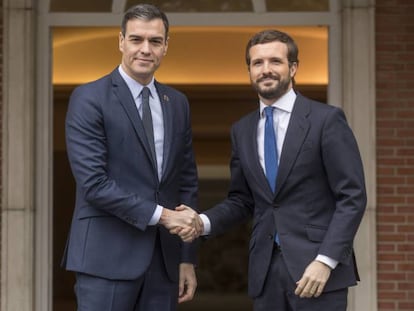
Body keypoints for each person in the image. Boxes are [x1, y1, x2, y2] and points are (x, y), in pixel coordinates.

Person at [178, 29, 367, 310]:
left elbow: (352, 196)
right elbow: (242, 200)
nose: (266, 70)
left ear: (293, 67)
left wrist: (326, 260)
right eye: (257, 63)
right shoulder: (242, 130)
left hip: (317, 272)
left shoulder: (326, 120)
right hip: (265, 273)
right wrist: (201, 222)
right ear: (250, 70)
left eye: (275, 61)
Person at [61, 4, 202, 311]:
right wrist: (164, 216)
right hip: (105, 258)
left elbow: (186, 182)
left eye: (155, 41)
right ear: (121, 41)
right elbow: (94, 184)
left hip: (164, 263)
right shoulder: (89, 98)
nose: (145, 49)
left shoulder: (177, 103)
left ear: (166, 46)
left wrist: (186, 258)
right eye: (137, 39)